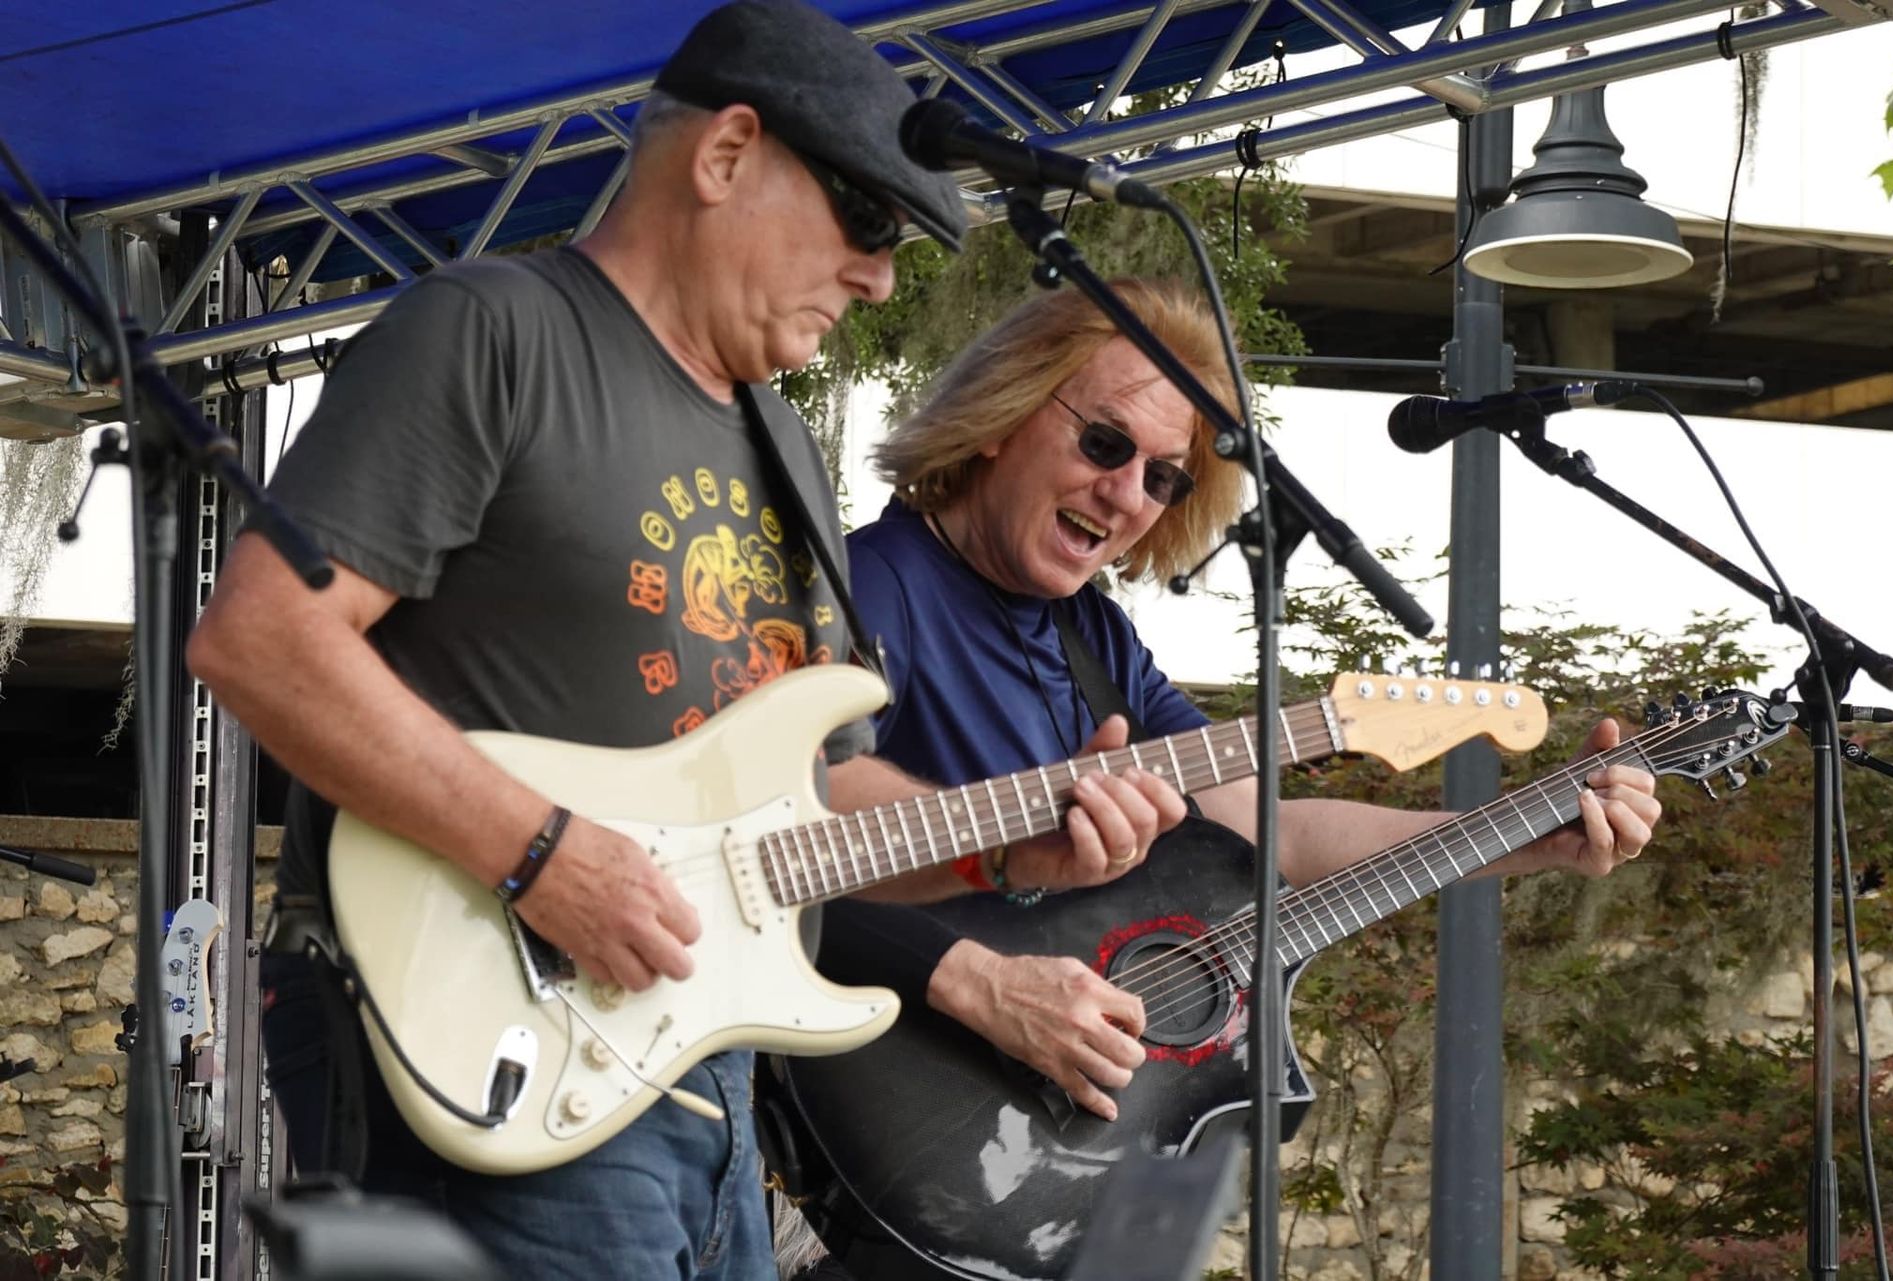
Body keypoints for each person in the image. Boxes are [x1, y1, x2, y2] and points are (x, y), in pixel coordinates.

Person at [186, 6, 1183, 1278]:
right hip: (487, 1041)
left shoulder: (788, 457)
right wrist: (541, 853)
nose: (880, 276)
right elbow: (263, 640)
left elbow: (807, 815)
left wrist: (1004, 843)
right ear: (726, 157)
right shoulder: (493, 331)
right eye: (867, 221)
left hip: (697, 1081)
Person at [812, 278, 1665, 1124]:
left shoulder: (1094, 636)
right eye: (1106, 444)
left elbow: (1275, 833)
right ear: (1003, 413)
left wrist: (1527, 828)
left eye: (1163, 479)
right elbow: (772, 855)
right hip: (857, 1107)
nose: (1125, 495)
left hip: (1019, 1127)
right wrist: (983, 984)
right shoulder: (868, 589)